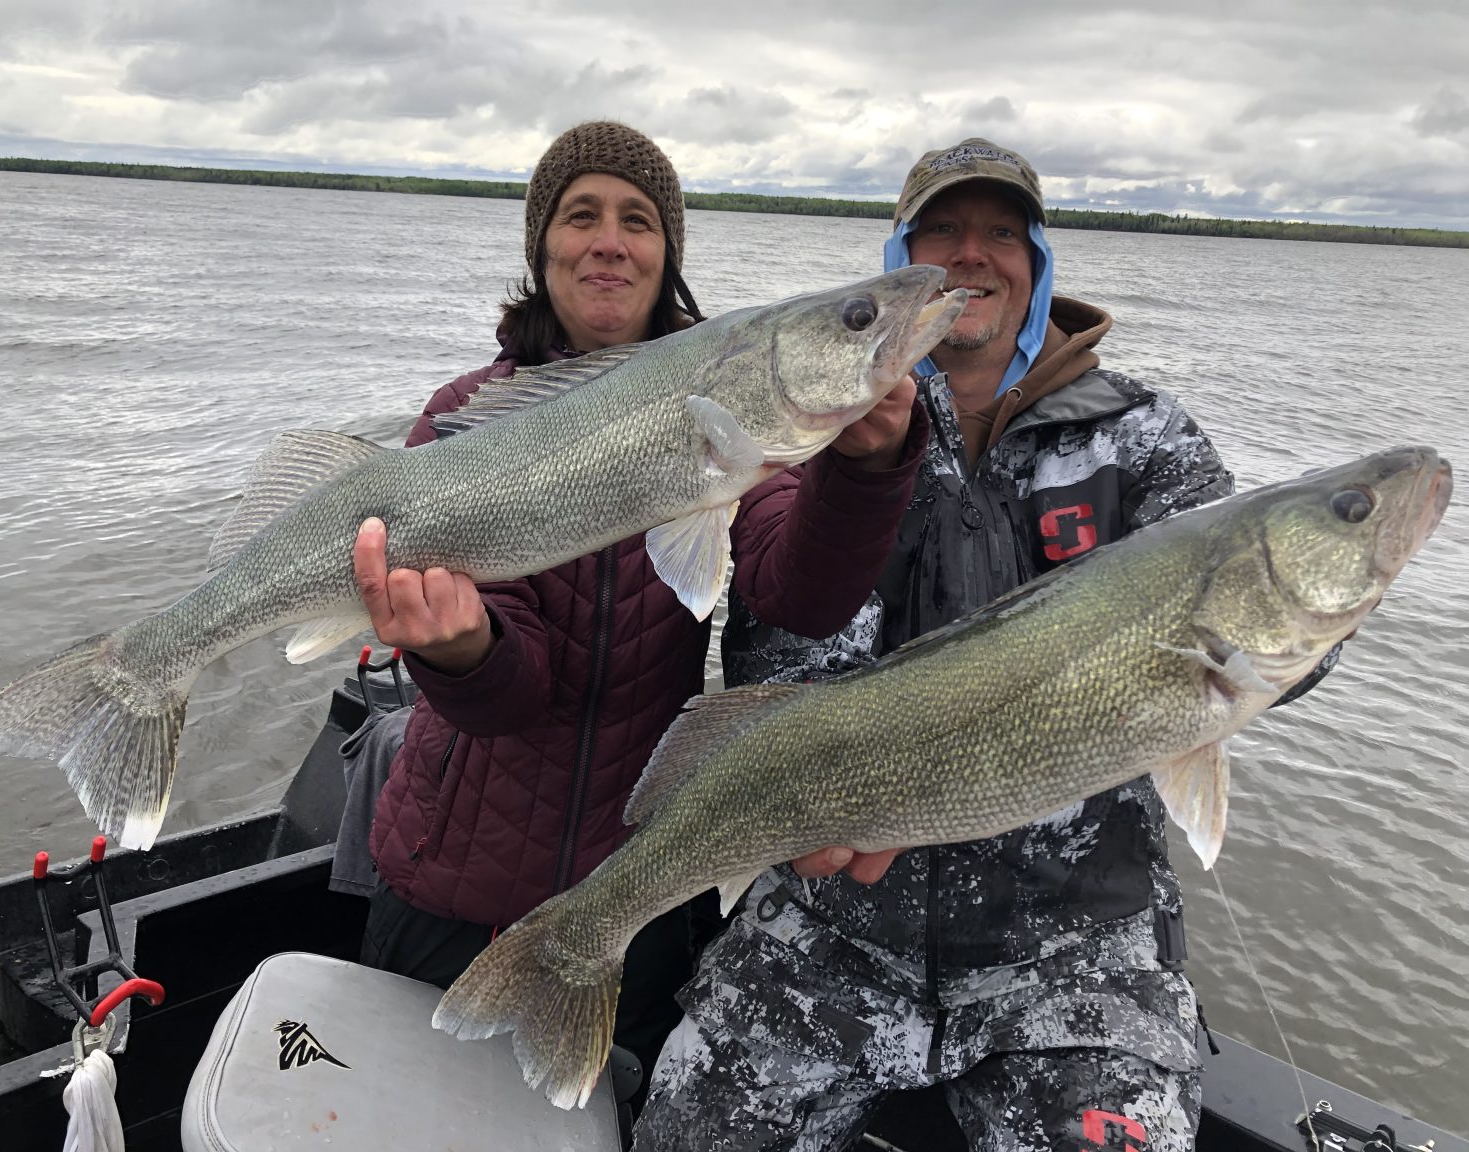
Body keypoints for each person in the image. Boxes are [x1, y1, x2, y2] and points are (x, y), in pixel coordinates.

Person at [634, 138, 1340, 1150]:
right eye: (944, 232)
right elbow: (775, 650)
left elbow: (1280, 625)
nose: (974, 254)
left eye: (1001, 232)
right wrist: (823, 802)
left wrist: (1294, 640)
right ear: (902, 261)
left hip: (1077, 949)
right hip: (831, 928)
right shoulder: (815, 421)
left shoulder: (1144, 439)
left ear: (1038, 257)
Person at [350, 121, 929, 1108]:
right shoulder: (462, 417)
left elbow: (802, 591)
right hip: (451, 881)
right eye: (581, 216)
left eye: (637, 220)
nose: (609, 240)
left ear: (668, 258)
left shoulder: (731, 419)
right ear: (542, 249)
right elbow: (507, 691)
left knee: (592, 1117)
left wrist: (867, 468)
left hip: (634, 883)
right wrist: (461, 652)